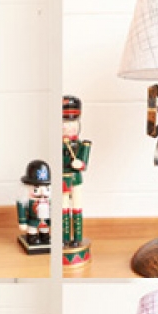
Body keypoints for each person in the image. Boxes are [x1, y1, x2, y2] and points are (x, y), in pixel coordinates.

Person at [62, 95, 92, 260]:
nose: (68, 126)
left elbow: (84, 164)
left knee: (77, 207)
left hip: (76, 180)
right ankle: (64, 238)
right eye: (64, 122)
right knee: (63, 208)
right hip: (62, 180)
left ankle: (77, 238)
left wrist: (79, 164)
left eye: (72, 122)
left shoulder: (81, 145)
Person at [16, 159, 51, 253]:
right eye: (36, 189)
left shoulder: (50, 201)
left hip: (46, 221)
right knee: (32, 230)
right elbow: (21, 210)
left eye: (47, 188)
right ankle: (32, 237)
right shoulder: (26, 201)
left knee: (45, 230)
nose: (42, 192)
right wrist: (22, 222)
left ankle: (45, 237)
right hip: (33, 221)